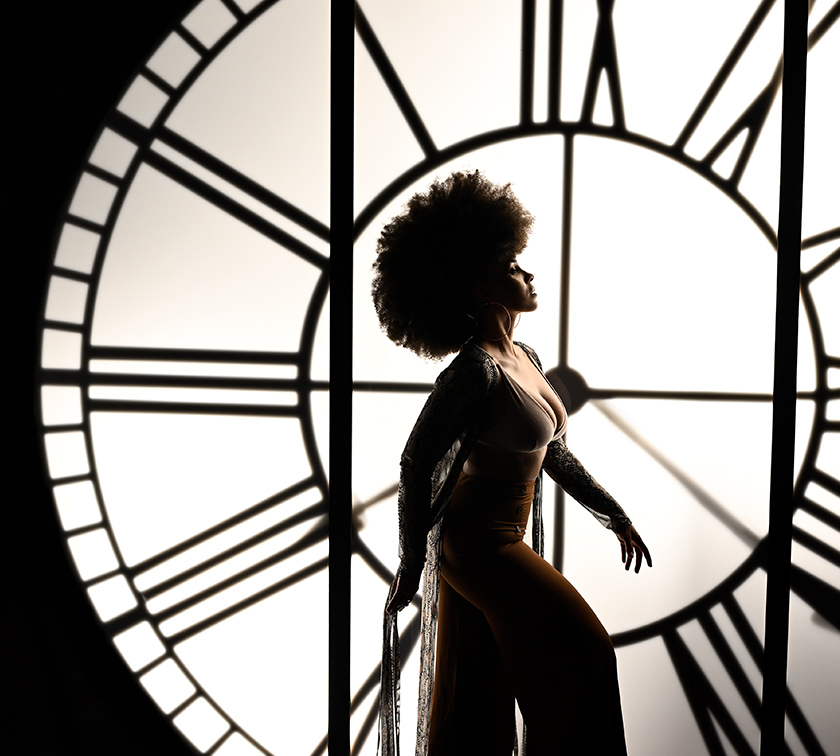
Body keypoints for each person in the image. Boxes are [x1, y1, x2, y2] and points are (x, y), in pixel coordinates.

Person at [373, 171, 652, 756]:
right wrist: (410, 560)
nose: (527, 274)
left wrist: (614, 515)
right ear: (477, 288)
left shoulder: (525, 356)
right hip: (476, 545)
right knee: (586, 653)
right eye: (511, 266)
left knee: (479, 699)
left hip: (502, 535)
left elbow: (553, 454)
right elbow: (415, 460)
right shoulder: (475, 371)